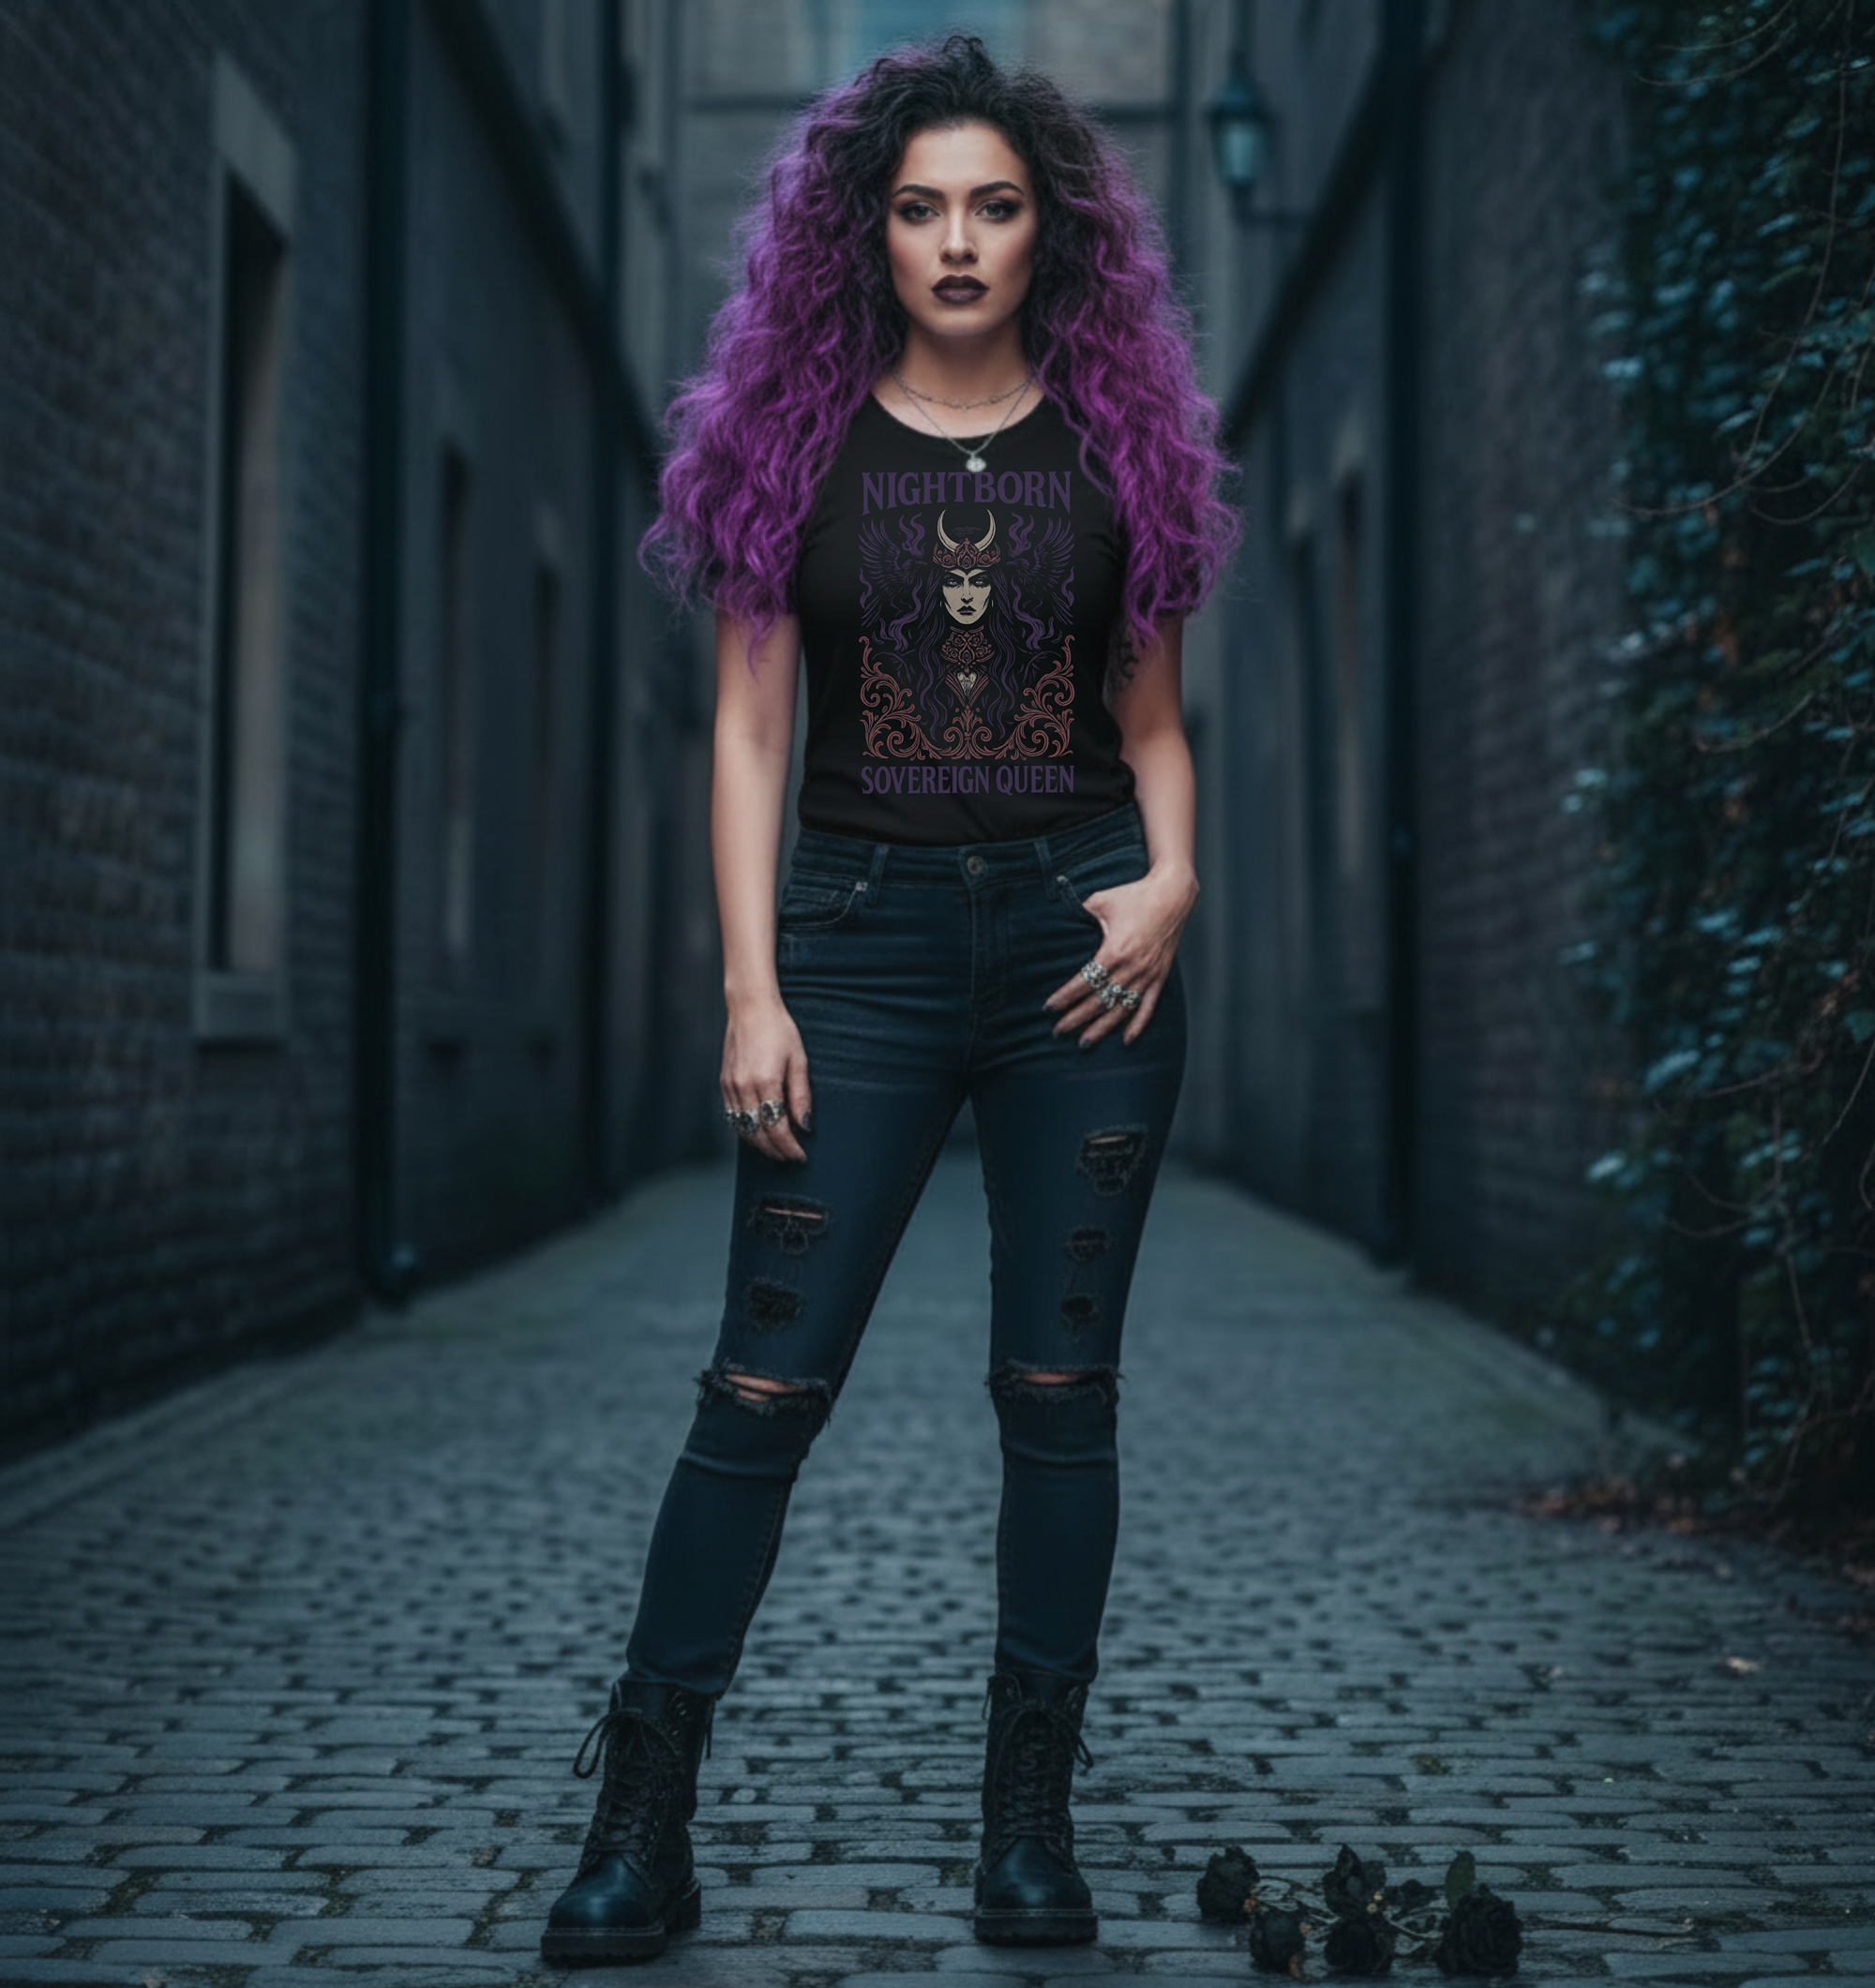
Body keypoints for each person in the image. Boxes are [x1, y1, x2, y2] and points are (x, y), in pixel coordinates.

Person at [540, 31, 1237, 1965]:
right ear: (872, 226)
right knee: (761, 1387)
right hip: (846, 944)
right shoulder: (794, 441)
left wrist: (1173, 879)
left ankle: (1028, 1826)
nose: (955, 241)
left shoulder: (1118, 448)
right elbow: (748, 736)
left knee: (1057, 1391)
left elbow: (1154, 726)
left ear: (1046, 233)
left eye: (992, 207)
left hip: (1077, 963)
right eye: (921, 205)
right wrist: (750, 988)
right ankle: (639, 1818)